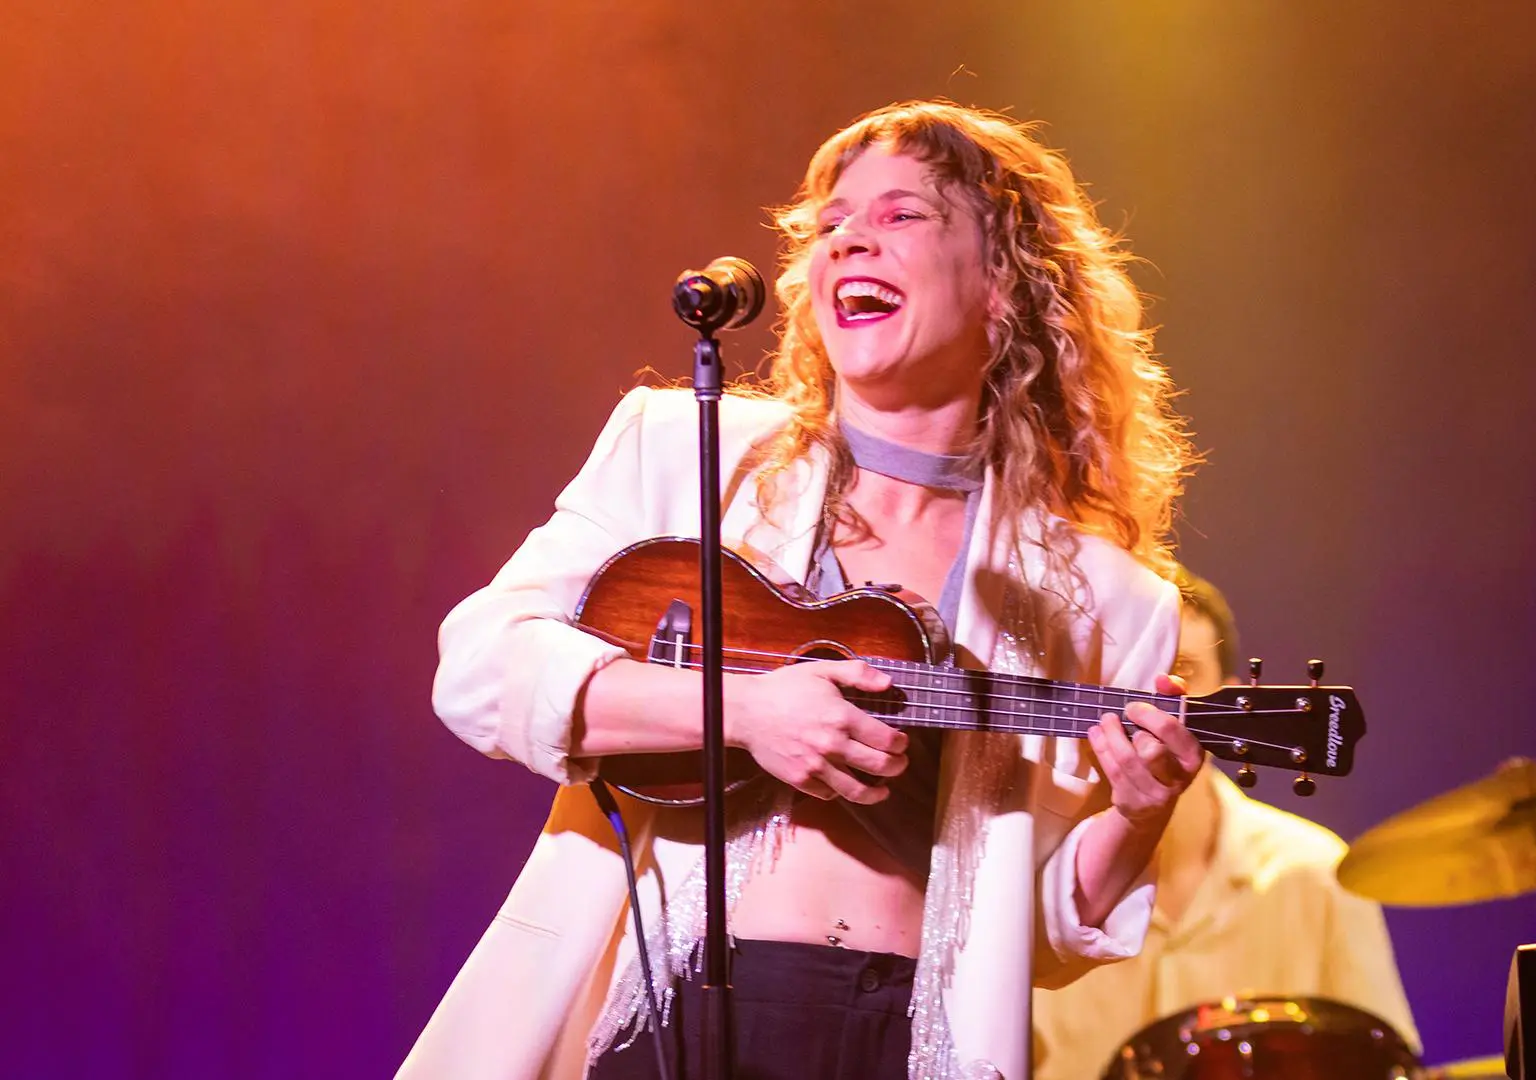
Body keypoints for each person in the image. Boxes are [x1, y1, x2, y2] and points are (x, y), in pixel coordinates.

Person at [398, 101, 1206, 1080]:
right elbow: (480, 668)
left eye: (902, 214)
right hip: (671, 1013)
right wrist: (747, 711)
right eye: (831, 224)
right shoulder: (685, 453)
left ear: (1003, 283)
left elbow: (1026, 939)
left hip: (905, 1037)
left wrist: (1136, 813)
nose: (851, 239)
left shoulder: (1104, 596)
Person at [1031, 567, 1421, 1079]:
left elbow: (1383, 1064)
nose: (1157, 704)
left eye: (1183, 671)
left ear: (1239, 701)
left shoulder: (1317, 871)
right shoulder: (1031, 876)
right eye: (1132, 668)